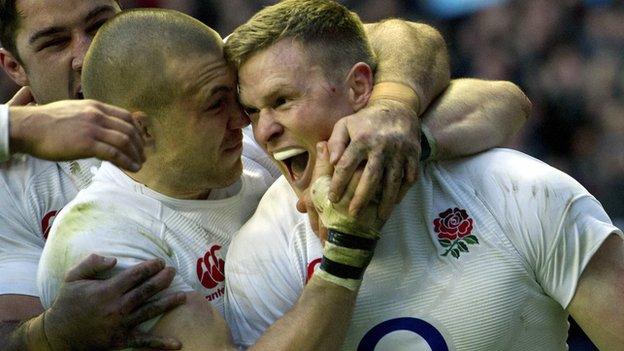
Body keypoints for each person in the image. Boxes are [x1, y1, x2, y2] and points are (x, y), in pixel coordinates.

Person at [0, 0, 517, 349]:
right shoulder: (99, 241)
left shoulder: (214, 95)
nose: (249, 121)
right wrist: (346, 251)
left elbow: (485, 90)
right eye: (53, 41)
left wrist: (395, 114)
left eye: (99, 21)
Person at [222, 1, 624, 350]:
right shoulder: (260, 251)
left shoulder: (516, 188)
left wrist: (400, 125)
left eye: (282, 100)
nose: (263, 132)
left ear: (360, 86)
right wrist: (345, 254)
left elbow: (505, 97)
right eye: (253, 112)